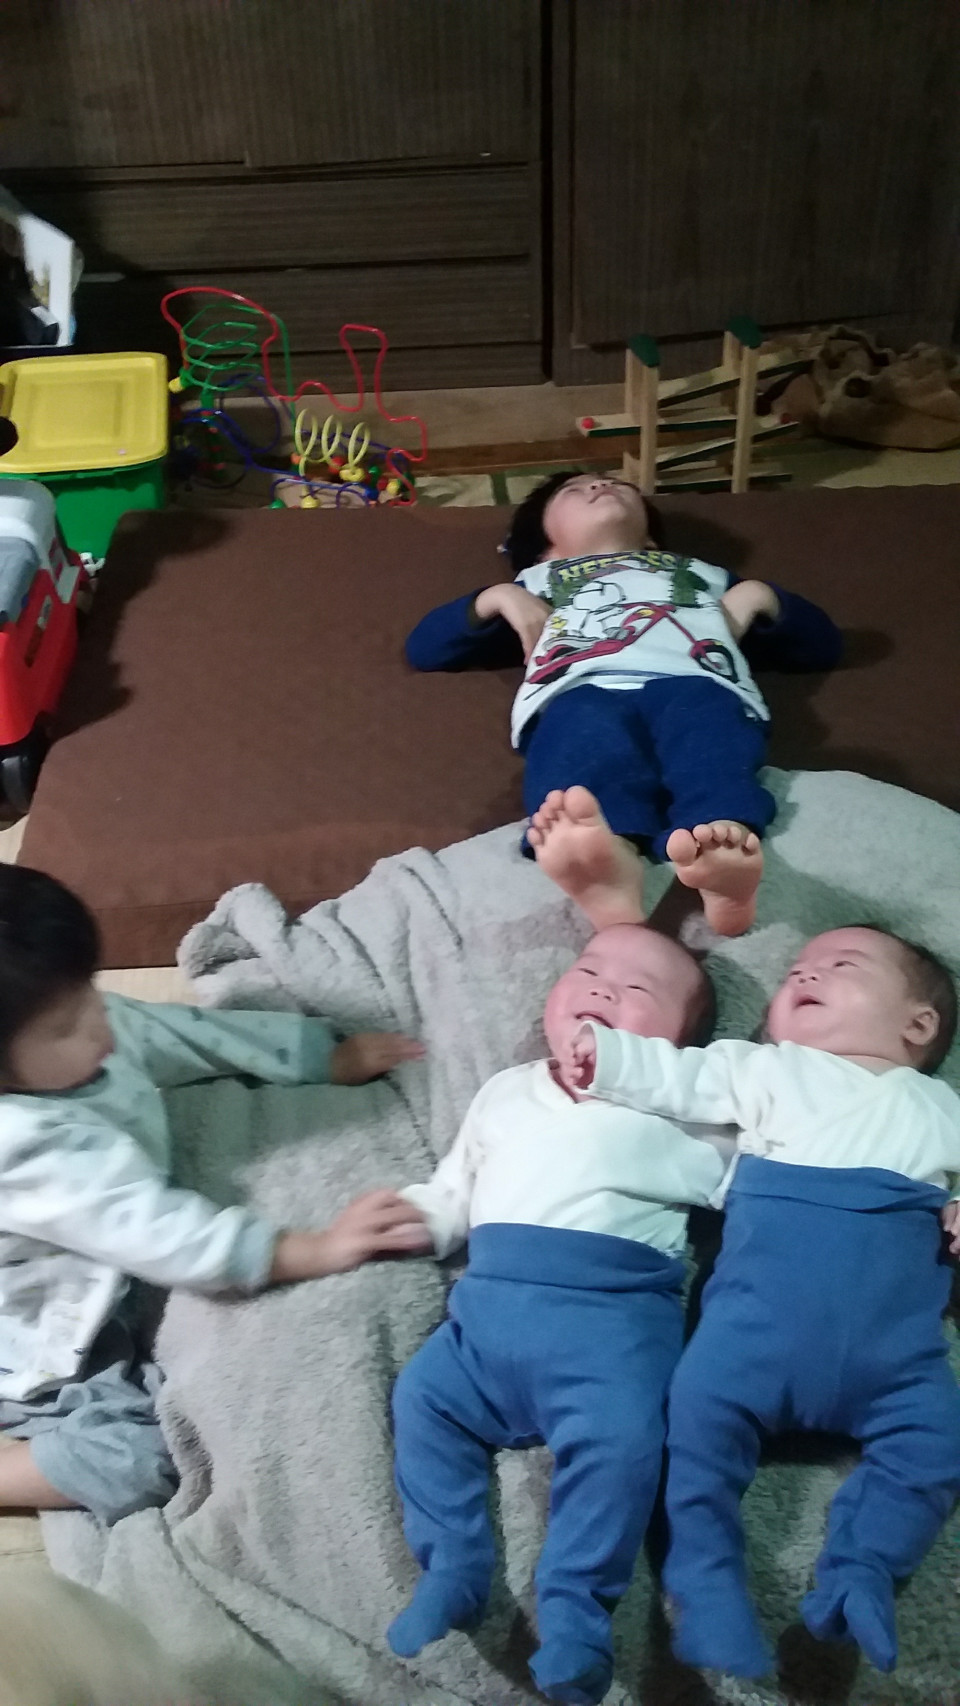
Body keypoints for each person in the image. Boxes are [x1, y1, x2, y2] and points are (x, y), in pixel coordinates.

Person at [350, 923, 732, 1705]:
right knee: (421, 1401)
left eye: (636, 989)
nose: (602, 987)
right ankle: (453, 1566)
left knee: (626, 1446)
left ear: (678, 1047)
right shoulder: (506, 1091)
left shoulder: (685, 1114)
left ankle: (576, 1612)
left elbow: (765, 1187)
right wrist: (415, 1219)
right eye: (588, 970)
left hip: (613, 1330)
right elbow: (455, 1186)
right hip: (484, 1322)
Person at [566, 925, 960, 1678]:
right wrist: (608, 1057)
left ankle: (865, 1568)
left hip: (898, 1362)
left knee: (939, 1448)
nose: (805, 973)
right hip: (749, 1340)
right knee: (691, 1426)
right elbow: (680, 1077)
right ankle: (705, 1581)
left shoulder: (941, 1107)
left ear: (917, 1025)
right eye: (796, 969)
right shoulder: (767, 1068)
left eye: (841, 965)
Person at [0, 865, 431, 1525]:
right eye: (65, 1028)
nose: (102, 1027)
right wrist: (315, 1249)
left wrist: (317, 1057)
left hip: (84, 1259)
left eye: (91, 993)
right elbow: (164, 1235)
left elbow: (182, 1034)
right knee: (144, 1460)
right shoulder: (27, 1148)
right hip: (40, 1336)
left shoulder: (82, 1029)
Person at [406, 470, 842, 936]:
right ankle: (608, 865)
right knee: (580, 751)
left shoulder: (701, 574)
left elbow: (823, 647)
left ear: (652, 539)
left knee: (712, 747)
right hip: (581, 687)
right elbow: (425, 649)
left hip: (697, 680)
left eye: (615, 483)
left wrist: (759, 595)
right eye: (574, 491)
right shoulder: (537, 581)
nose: (599, 486)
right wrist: (500, 597)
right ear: (546, 548)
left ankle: (719, 847)